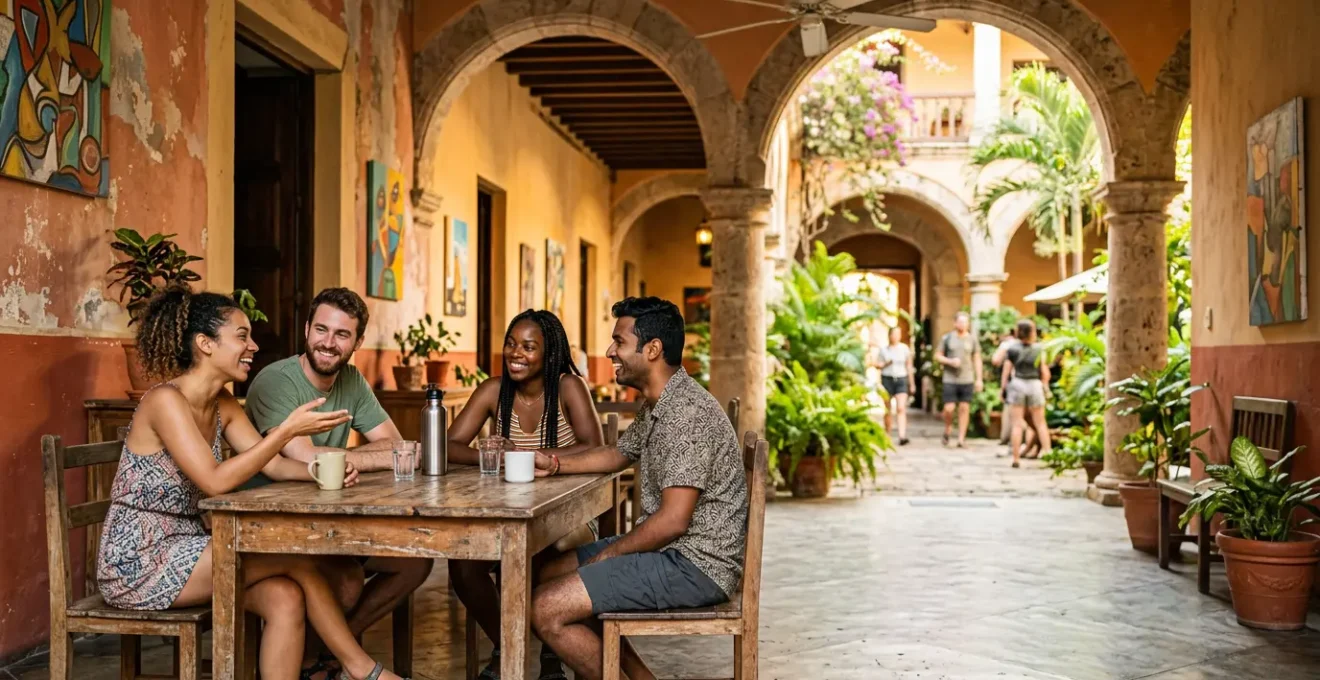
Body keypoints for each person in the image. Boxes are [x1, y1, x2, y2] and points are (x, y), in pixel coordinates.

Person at [96, 287, 408, 680]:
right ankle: (363, 670)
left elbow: (275, 466)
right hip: (140, 559)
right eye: (242, 336)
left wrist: (325, 471)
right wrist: (288, 429)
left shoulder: (223, 403)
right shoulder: (165, 401)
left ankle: (353, 669)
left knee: (286, 597)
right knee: (298, 560)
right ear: (205, 344)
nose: (254, 346)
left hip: (191, 547)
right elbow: (213, 481)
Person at [528, 297, 748, 680]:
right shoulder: (661, 402)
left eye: (619, 341)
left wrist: (611, 553)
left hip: (696, 565)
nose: (610, 351)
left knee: (547, 609)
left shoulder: (686, 416)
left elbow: (673, 521)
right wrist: (555, 462)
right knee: (547, 571)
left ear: (652, 349)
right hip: (675, 553)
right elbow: (617, 454)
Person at [244, 287, 433, 679]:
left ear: (357, 342)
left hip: (330, 515)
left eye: (342, 335)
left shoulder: (352, 381)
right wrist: (360, 459)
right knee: (345, 581)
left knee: (414, 561)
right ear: (307, 329)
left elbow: (399, 449)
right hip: (274, 522)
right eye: (322, 330)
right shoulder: (274, 382)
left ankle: (324, 652)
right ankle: (334, 659)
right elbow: (304, 458)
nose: (328, 343)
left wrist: (346, 460)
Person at [446, 310, 604, 680]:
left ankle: (552, 654)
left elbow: (594, 447)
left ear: (548, 354)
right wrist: (494, 454)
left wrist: (534, 457)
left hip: (569, 517)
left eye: (529, 347)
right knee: (463, 565)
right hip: (509, 514)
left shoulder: (568, 387)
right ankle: (507, 644)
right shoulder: (493, 390)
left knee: (542, 552)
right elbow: (450, 445)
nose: (515, 353)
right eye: (511, 343)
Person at [1002, 319, 1052, 468]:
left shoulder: (1013, 349)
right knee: (1040, 423)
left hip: (1018, 383)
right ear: (1032, 332)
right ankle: (1049, 454)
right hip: (1034, 384)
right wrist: (1046, 386)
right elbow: (1044, 372)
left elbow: (1006, 370)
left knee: (1017, 424)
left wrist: (1003, 387)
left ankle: (1016, 458)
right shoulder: (1039, 349)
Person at [934, 311, 982, 447]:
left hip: (967, 378)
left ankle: (961, 438)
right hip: (950, 378)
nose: (962, 324)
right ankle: (948, 428)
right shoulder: (947, 338)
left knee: (964, 407)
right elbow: (937, 356)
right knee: (949, 408)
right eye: (960, 322)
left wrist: (979, 379)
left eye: (965, 322)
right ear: (955, 323)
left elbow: (977, 358)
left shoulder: (972, 339)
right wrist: (950, 361)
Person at [879, 327, 914, 446]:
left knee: (901, 407)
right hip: (887, 379)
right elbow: (877, 364)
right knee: (887, 408)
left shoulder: (904, 349)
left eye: (898, 334)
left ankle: (902, 435)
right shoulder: (883, 350)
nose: (896, 336)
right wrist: (885, 364)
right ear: (889, 335)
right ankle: (887, 433)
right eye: (894, 334)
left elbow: (909, 366)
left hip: (901, 379)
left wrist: (912, 383)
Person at [991, 329, 1019, 447]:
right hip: (1032, 384)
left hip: (1014, 382)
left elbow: (996, 360)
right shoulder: (1036, 346)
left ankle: (1007, 438)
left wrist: (1002, 387)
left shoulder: (1008, 345)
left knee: (1011, 412)